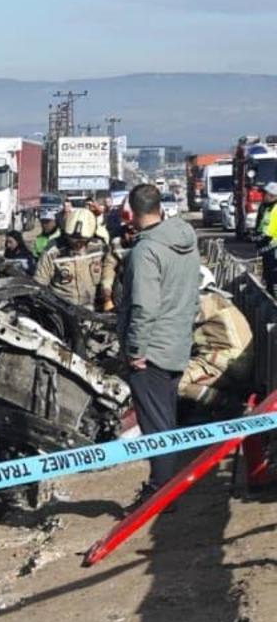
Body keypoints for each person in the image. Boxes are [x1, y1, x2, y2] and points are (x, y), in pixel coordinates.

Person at [117, 183, 200, 500]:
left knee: (156, 427)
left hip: (151, 352)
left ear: (132, 212)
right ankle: (165, 486)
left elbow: (144, 306)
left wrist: (137, 350)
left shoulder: (146, 251)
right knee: (166, 418)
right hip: (177, 344)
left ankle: (161, 493)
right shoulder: (186, 242)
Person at [179, 268, 253, 409]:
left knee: (174, 382)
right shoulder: (217, 299)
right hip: (231, 361)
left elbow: (174, 323)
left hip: (224, 363)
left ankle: (227, 405)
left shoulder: (204, 301)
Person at [35, 209, 116, 312]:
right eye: (72, 239)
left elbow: (109, 268)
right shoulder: (53, 252)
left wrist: (106, 291)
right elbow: (40, 283)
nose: (77, 244)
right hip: (62, 312)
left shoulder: (100, 248)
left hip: (93, 312)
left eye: (82, 241)